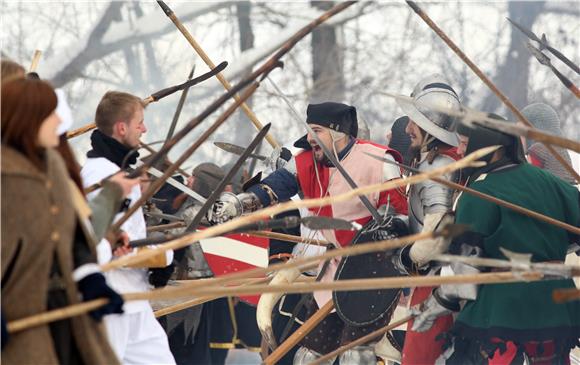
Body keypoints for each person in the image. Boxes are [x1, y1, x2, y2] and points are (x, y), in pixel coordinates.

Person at [208, 101, 408, 364]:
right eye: (310, 131)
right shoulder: (308, 161)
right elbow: (275, 186)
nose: (311, 138)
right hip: (334, 267)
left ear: (338, 132)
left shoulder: (380, 159)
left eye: (317, 131)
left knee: (355, 357)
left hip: (372, 272)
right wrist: (238, 204)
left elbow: (399, 213)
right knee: (309, 356)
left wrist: (386, 230)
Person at [411, 117, 580, 364]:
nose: (459, 151)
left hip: (502, 313)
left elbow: (465, 276)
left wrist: (434, 305)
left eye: (465, 144)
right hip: (556, 310)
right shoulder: (553, 184)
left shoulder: (479, 194)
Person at [1, 78, 122, 364]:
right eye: (50, 113)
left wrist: (90, 277)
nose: (58, 120)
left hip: (65, 310)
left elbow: (71, 236)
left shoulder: (53, 166)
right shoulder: (4, 177)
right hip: (19, 318)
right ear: (28, 119)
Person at [81, 91, 175, 364]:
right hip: (110, 298)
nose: (144, 129)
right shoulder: (103, 175)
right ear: (121, 128)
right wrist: (164, 256)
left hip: (134, 300)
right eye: (139, 123)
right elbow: (115, 246)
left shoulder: (114, 169)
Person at [392, 74, 463, 364]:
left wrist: (406, 256)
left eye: (415, 122)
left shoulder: (438, 167)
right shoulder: (434, 163)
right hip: (432, 280)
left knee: (421, 359)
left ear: (432, 127)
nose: (407, 128)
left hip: (436, 282)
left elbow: (438, 232)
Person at [521, 102, 576, 184]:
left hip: (549, 193)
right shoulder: (562, 147)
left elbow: (530, 180)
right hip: (568, 193)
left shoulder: (538, 148)